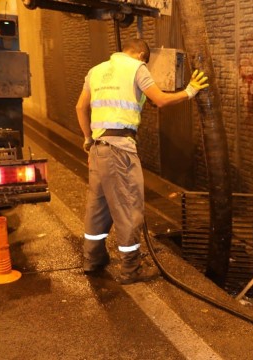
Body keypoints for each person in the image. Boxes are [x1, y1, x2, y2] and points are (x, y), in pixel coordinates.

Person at [75, 38, 209, 285]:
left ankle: (92, 259)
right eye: (146, 60)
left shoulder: (95, 71)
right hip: (120, 150)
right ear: (140, 55)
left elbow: (80, 107)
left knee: (98, 208)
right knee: (129, 208)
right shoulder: (137, 67)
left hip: (98, 148)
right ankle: (131, 269)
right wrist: (190, 91)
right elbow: (160, 100)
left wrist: (87, 139)